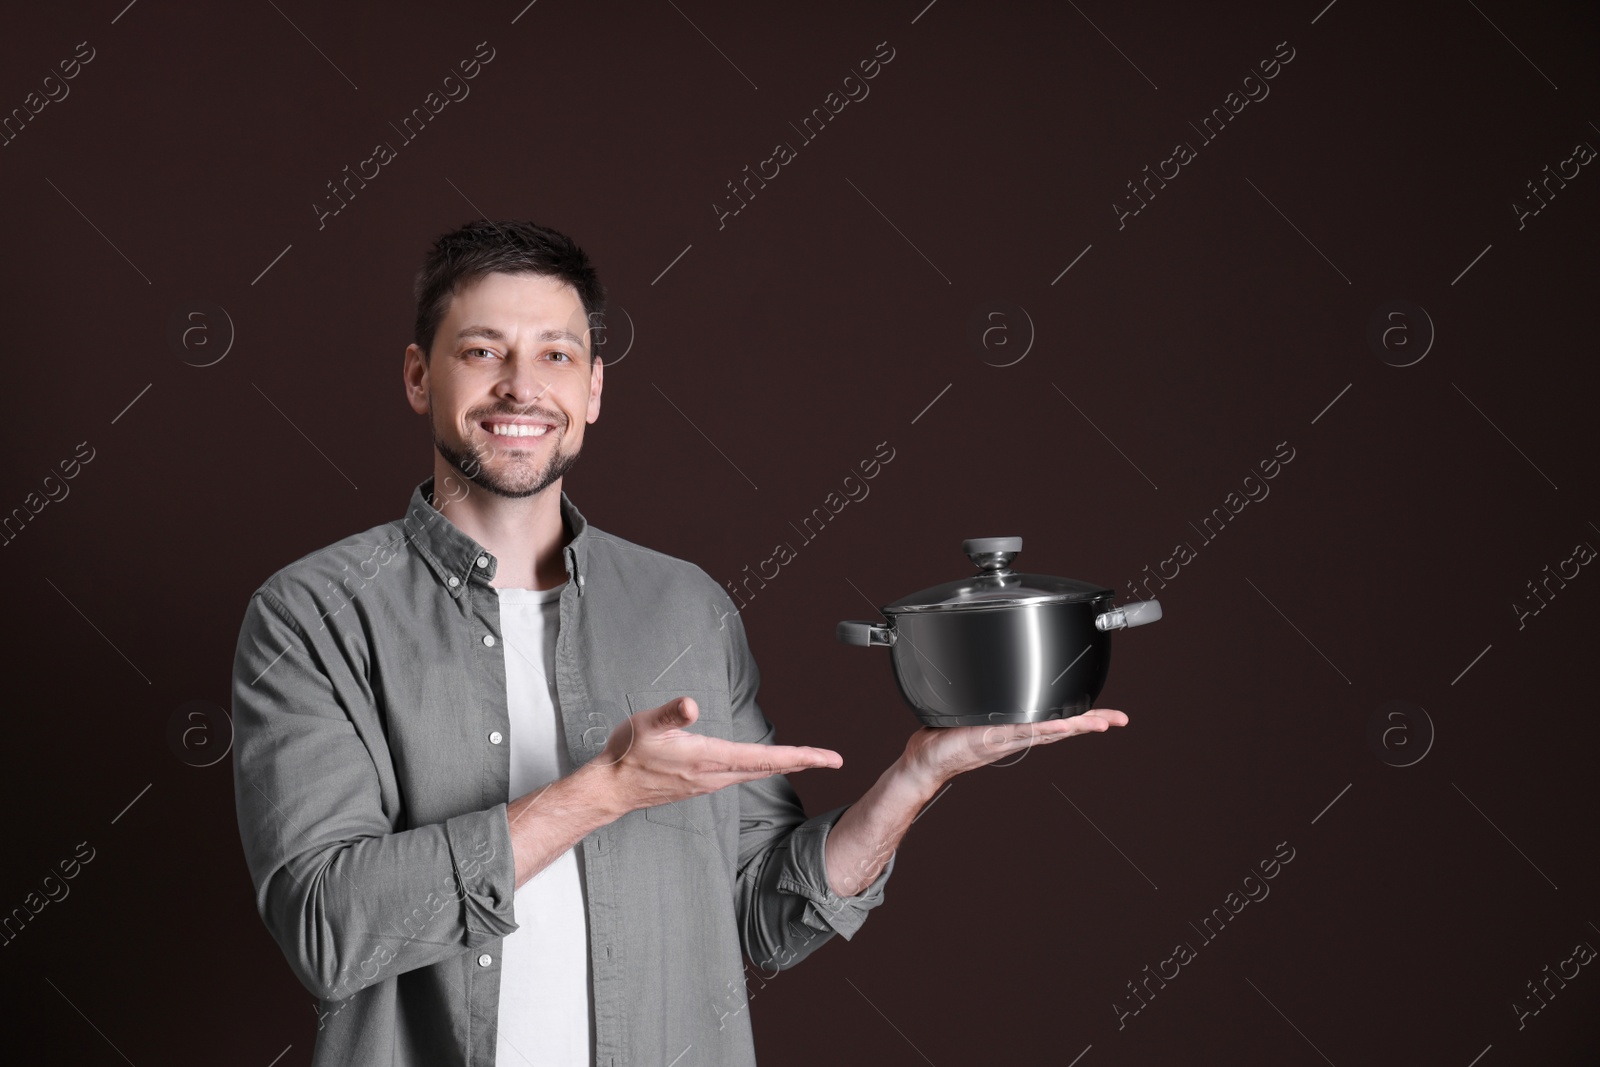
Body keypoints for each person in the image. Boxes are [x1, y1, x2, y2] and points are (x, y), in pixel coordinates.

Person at [230, 219, 1129, 1067]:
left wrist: (918, 775)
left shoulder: (685, 606)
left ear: (592, 390)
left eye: (555, 354)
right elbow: (329, 929)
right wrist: (601, 792)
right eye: (481, 351)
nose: (520, 386)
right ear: (421, 378)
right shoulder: (314, 614)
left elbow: (763, 914)